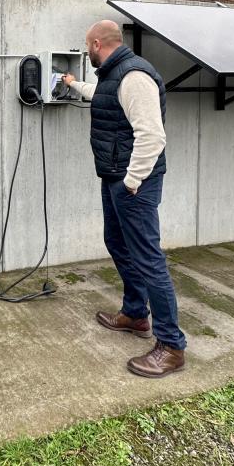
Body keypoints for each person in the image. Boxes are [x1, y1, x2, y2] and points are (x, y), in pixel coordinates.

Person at [62, 20, 186, 378]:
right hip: (115, 176)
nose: (86, 52)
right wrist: (73, 85)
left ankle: (172, 346)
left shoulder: (134, 77)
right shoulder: (113, 76)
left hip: (133, 182)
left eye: (87, 46)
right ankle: (135, 313)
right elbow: (103, 97)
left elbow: (152, 135)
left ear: (97, 43)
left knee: (148, 259)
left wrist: (132, 180)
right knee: (116, 241)